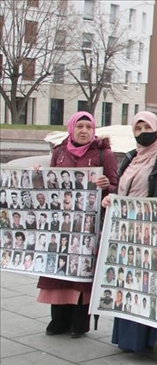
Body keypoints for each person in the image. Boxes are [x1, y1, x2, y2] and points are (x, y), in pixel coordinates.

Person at [38, 111, 117, 338]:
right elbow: (50, 183)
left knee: (82, 273)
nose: (84, 131)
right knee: (60, 271)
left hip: (89, 226)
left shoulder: (105, 154)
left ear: (94, 130)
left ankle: (78, 323)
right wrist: (37, 177)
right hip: (63, 223)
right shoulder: (59, 152)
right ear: (71, 128)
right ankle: (58, 320)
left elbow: (115, 186)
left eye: (88, 127)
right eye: (80, 126)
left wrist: (105, 186)